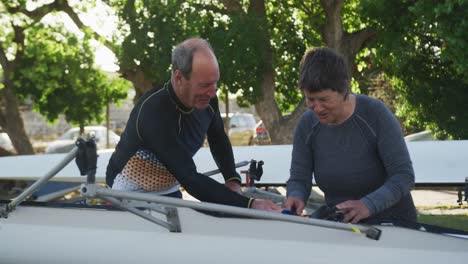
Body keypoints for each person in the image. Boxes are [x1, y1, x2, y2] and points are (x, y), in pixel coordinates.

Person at [106, 37, 280, 212]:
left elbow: (218, 138)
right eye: (205, 85)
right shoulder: (154, 111)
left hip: (168, 187)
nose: (212, 92)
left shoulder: (208, 98)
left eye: (215, 83)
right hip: (129, 191)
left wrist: (232, 179)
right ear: (179, 77)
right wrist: (250, 205)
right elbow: (189, 177)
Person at [284, 47, 417, 224]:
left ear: (344, 89)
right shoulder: (307, 125)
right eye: (310, 99)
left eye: (324, 100)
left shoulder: (375, 114)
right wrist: (296, 195)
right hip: (342, 225)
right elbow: (299, 177)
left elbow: (404, 176)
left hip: (392, 223)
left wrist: (368, 205)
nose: (316, 107)